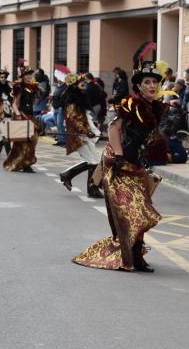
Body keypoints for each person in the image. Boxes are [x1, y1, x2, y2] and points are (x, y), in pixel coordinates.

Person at [73, 51, 165, 273]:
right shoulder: (130, 104)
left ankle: (136, 254)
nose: (152, 85)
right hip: (119, 163)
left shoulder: (155, 106)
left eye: (154, 82)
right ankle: (132, 256)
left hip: (136, 164)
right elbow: (113, 129)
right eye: (147, 82)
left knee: (140, 211)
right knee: (131, 213)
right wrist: (120, 155)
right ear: (139, 86)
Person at [58, 73, 103, 198]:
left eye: (84, 83)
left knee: (96, 162)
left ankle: (90, 188)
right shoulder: (72, 100)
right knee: (93, 161)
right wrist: (85, 131)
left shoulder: (81, 97)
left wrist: (91, 128)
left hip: (85, 134)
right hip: (78, 135)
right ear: (74, 85)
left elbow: (84, 116)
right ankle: (89, 188)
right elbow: (72, 119)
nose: (84, 85)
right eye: (81, 83)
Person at [3, 66, 39, 173]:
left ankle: (24, 162)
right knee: (26, 141)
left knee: (32, 140)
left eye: (30, 75)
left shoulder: (32, 87)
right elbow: (14, 104)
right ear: (22, 77)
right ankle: (25, 164)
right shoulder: (20, 87)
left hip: (30, 115)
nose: (29, 77)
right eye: (27, 75)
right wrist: (18, 114)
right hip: (22, 115)